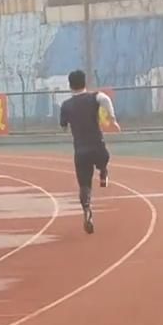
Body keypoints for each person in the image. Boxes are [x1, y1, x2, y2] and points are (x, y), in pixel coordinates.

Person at [60, 69, 120, 234]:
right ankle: (103, 171)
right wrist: (112, 119)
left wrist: (69, 124)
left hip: (80, 150)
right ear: (84, 82)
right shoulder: (94, 97)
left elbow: (63, 126)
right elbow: (105, 99)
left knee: (84, 184)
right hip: (97, 145)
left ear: (70, 85)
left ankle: (87, 209)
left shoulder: (66, 105)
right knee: (104, 158)